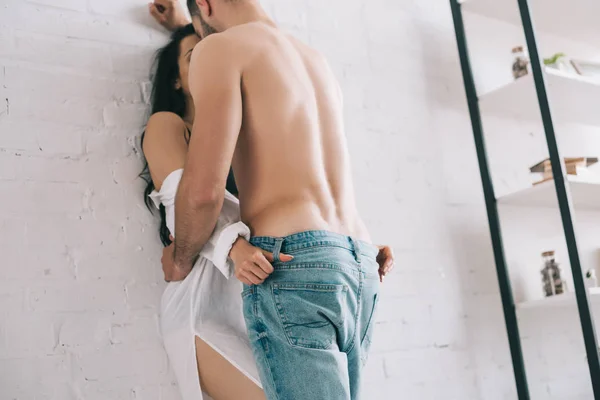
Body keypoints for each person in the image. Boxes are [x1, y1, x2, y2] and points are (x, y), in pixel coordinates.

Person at [149, 1, 395, 399]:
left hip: (295, 265)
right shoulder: (315, 61)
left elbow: (203, 193)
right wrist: (185, 23)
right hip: (360, 264)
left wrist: (179, 259)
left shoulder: (222, 50)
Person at [141, 24, 284, 400]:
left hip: (256, 309)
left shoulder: (244, 137)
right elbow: (184, 200)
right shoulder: (168, 125)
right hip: (202, 307)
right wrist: (232, 247)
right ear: (175, 80)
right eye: (196, 57)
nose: (210, 61)